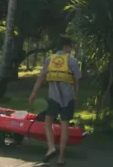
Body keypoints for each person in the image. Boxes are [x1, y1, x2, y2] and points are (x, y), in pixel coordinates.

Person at [29, 37, 81, 166]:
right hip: (68, 97)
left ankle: (51, 147)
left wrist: (33, 93)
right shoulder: (72, 60)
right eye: (70, 46)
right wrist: (75, 94)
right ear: (66, 47)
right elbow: (76, 80)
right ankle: (61, 158)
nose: (71, 49)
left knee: (48, 123)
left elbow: (40, 78)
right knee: (65, 127)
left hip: (53, 97)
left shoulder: (49, 59)